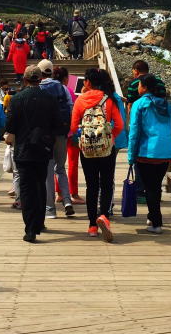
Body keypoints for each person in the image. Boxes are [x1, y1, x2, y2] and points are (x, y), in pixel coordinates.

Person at [5, 65, 65, 243]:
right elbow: (58, 125)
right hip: (43, 149)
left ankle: (30, 228)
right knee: (40, 185)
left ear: (24, 79)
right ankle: (39, 223)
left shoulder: (17, 99)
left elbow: (10, 126)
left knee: (27, 189)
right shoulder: (50, 98)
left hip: (23, 149)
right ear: (40, 80)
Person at [70, 68, 124, 242]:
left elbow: (73, 127)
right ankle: (104, 216)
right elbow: (120, 125)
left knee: (91, 186)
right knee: (107, 184)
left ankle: (92, 225)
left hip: (87, 150)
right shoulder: (109, 99)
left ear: (86, 82)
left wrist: (82, 138)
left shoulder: (80, 100)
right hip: (107, 149)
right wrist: (110, 136)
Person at [128, 74, 171, 234]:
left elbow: (134, 132)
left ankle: (156, 223)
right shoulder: (166, 105)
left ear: (144, 87)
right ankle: (152, 217)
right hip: (166, 151)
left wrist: (131, 155)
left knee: (150, 187)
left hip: (147, 151)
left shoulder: (139, 104)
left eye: (139, 85)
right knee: (156, 185)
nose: (137, 87)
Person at [37, 60, 75, 218]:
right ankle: (67, 200)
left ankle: (50, 209)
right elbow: (71, 107)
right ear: (52, 71)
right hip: (61, 132)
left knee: (47, 171)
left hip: (44, 134)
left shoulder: (38, 88)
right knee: (60, 168)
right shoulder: (63, 88)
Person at [125, 60, 167, 204]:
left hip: (141, 124)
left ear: (136, 70)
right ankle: (156, 191)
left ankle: (140, 190)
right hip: (160, 127)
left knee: (139, 157)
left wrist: (130, 125)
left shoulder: (133, 84)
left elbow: (130, 106)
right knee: (157, 160)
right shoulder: (159, 82)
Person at [54, 66, 85, 205]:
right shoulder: (70, 92)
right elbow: (74, 113)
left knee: (57, 163)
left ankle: (59, 193)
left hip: (56, 131)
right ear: (66, 78)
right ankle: (74, 193)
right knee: (72, 163)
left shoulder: (50, 91)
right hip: (70, 131)